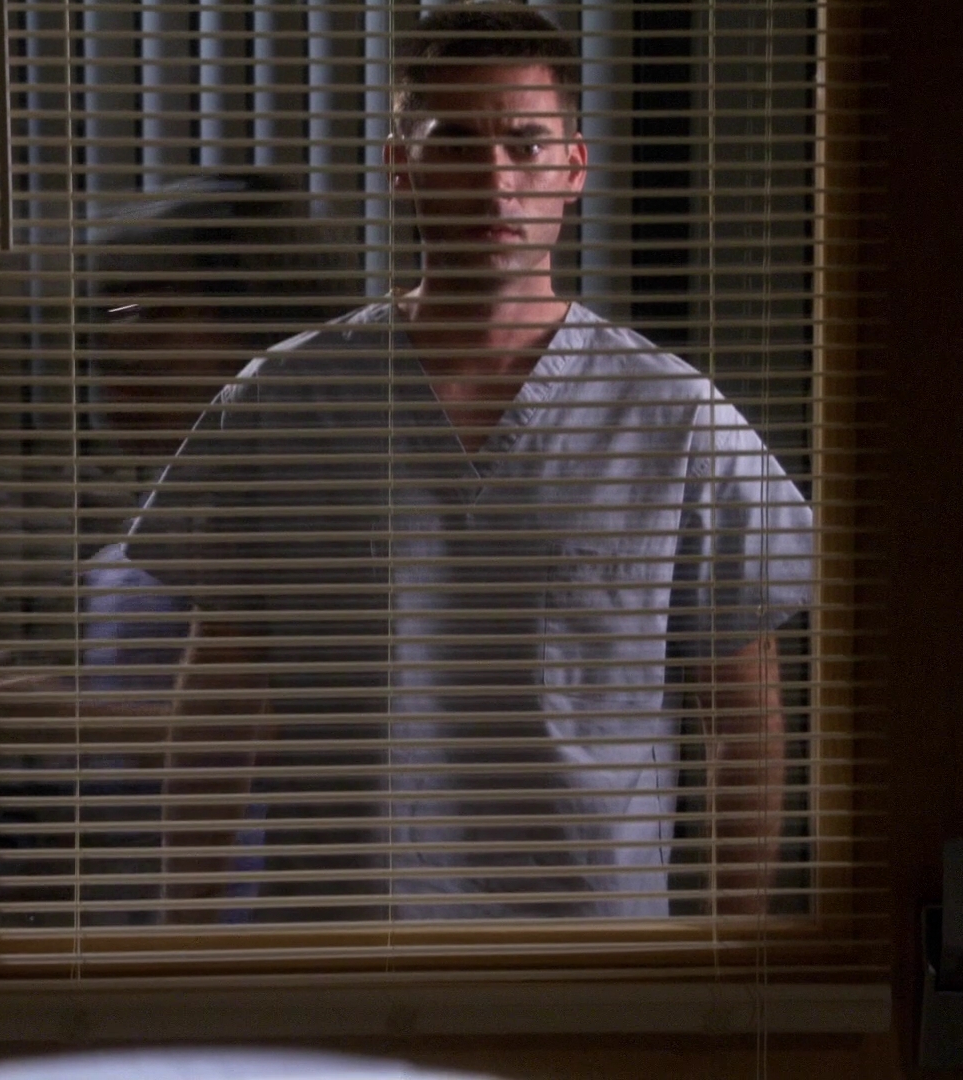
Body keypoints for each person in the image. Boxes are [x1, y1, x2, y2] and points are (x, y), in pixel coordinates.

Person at [75, 1, 814, 924]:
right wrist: (186, 938)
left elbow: (742, 720)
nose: (497, 182)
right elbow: (223, 695)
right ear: (401, 165)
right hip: (345, 940)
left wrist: (730, 961)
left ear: (573, 167)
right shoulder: (287, 403)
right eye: (456, 142)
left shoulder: (676, 419)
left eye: (525, 145)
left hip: (590, 951)